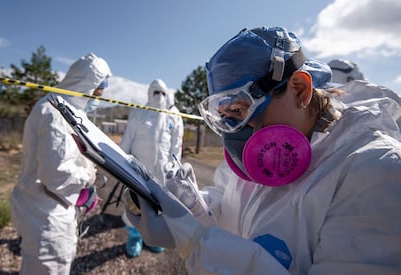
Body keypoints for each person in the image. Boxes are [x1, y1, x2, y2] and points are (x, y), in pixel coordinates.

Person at [124, 26, 401, 274]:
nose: (235, 130)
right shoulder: (261, 163)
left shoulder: (376, 169)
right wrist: (194, 208)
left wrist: (195, 243)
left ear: (300, 89)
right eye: (225, 116)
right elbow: (232, 217)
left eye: (239, 109)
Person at [10, 53, 111, 275]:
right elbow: (55, 173)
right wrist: (89, 179)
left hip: (46, 204)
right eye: (96, 94)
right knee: (48, 266)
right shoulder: (55, 112)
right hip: (45, 212)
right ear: (85, 87)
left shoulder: (63, 108)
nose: (96, 100)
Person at [120, 78, 184, 257]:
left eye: (163, 93)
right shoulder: (139, 113)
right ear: (149, 93)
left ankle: (154, 238)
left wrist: (175, 169)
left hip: (162, 172)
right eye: (156, 92)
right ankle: (134, 237)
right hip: (139, 170)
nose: (159, 96)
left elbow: (176, 146)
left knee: (158, 205)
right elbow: (127, 141)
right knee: (135, 204)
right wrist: (119, 164)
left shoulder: (174, 116)